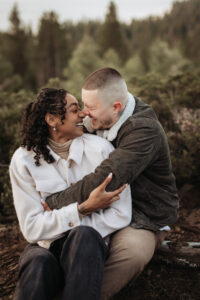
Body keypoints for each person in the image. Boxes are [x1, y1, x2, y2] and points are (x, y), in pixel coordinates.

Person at [46, 68, 179, 299]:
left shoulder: (143, 129)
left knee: (132, 254)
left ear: (116, 107)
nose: (84, 114)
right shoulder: (99, 116)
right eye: (82, 105)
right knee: (57, 245)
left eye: (91, 107)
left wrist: (55, 202)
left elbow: (106, 178)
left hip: (142, 215)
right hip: (100, 209)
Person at [9, 88, 132, 300]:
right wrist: (84, 209)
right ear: (52, 119)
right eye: (75, 110)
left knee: (83, 236)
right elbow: (31, 228)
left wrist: (59, 222)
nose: (83, 114)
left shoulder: (101, 150)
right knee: (38, 263)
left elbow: (121, 212)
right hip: (44, 247)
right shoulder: (23, 161)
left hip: (89, 246)